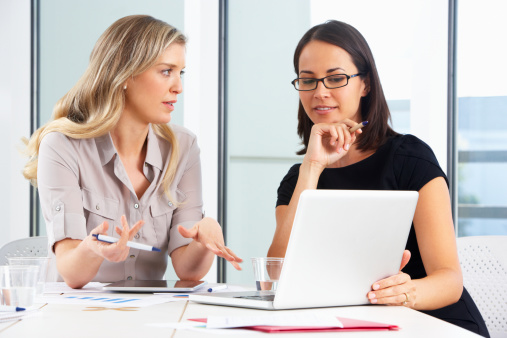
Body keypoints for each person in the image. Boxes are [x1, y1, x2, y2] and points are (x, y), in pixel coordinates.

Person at [267, 20, 489, 337]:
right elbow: (277, 274)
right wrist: (313, 167)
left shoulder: (409, 158)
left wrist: (405, 293)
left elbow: (449, 280)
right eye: (308, 80)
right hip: (356, 328)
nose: (320, 92)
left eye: (335, 78)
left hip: (435, 324)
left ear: (365, 84)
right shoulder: (299, 179)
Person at [22, 15, 242, 289]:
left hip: (148, 317)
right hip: (74, 315)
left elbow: (188, 271)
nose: (178, 87)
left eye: (180, 72)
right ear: (125, 75)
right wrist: (94, 250)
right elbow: (71, 271)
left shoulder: (184, 147)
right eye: (166, 71)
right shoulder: (62, 146)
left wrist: (206, 238)